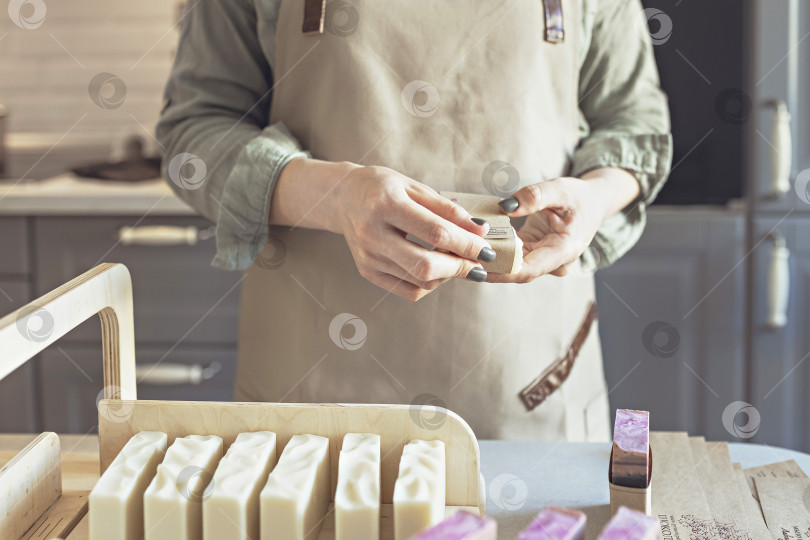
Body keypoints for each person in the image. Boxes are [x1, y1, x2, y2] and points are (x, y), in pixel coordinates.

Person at [157, 0, 672, 441]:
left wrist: (595, 195)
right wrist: (334, 196)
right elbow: (193, 133)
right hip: (308, 395)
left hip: (531, 385)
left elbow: (634, 121)